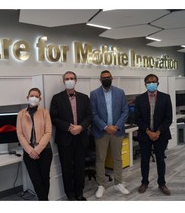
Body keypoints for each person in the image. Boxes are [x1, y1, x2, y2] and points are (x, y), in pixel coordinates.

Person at [50, 71, 92, 201]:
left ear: (76, 81)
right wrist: (69, 127)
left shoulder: (84, 98)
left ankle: (79, 193)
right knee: (66, 168)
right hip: (65, 139)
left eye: (72, 78)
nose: (69, 80)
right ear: (63, 81)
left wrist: (81, 127)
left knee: (79, 168)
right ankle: (70, 195)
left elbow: (89, 116)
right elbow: (54, 118)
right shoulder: (56, 98)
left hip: (81, 137)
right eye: (67, 79)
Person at [90, 70, 129, 198]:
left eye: (108, 77)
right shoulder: (94, 94)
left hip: (117, 131)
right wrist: (106, 127)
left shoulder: (120, 92)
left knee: (118, 158)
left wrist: (116, 126)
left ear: (112, 78)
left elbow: (125, 111)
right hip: (101, 132)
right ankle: (101, 185)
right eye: (103, 77)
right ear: (100, 80)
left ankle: (118, 182)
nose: (106, 79)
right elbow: (94, 114)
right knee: (100, 159)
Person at [134, 74, 172, 196]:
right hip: (145, 135)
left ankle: (162, 183)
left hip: (161, 135)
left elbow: (168, 118)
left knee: (160, 159)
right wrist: (148, 131)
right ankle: (144, 182)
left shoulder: (165, 98)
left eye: (154, 82)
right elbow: (137, 118)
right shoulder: (139, 99)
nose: (151, 84)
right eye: (149, 82)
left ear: (158, 83)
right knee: (144, 160)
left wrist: (158, 132)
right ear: (145, 84)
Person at [16, 87, 53, 200]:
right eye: (32, 96)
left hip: (45, 151)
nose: (34, 98)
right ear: (27, 97)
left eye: (37, 96)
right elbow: (20, 133)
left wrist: (37, 150)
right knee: (36, 181)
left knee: (44, 179)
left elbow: (48, 132)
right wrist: (30, 150)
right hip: (29, 153)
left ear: (40, 99)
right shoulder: (21, 114)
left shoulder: (45, 113)